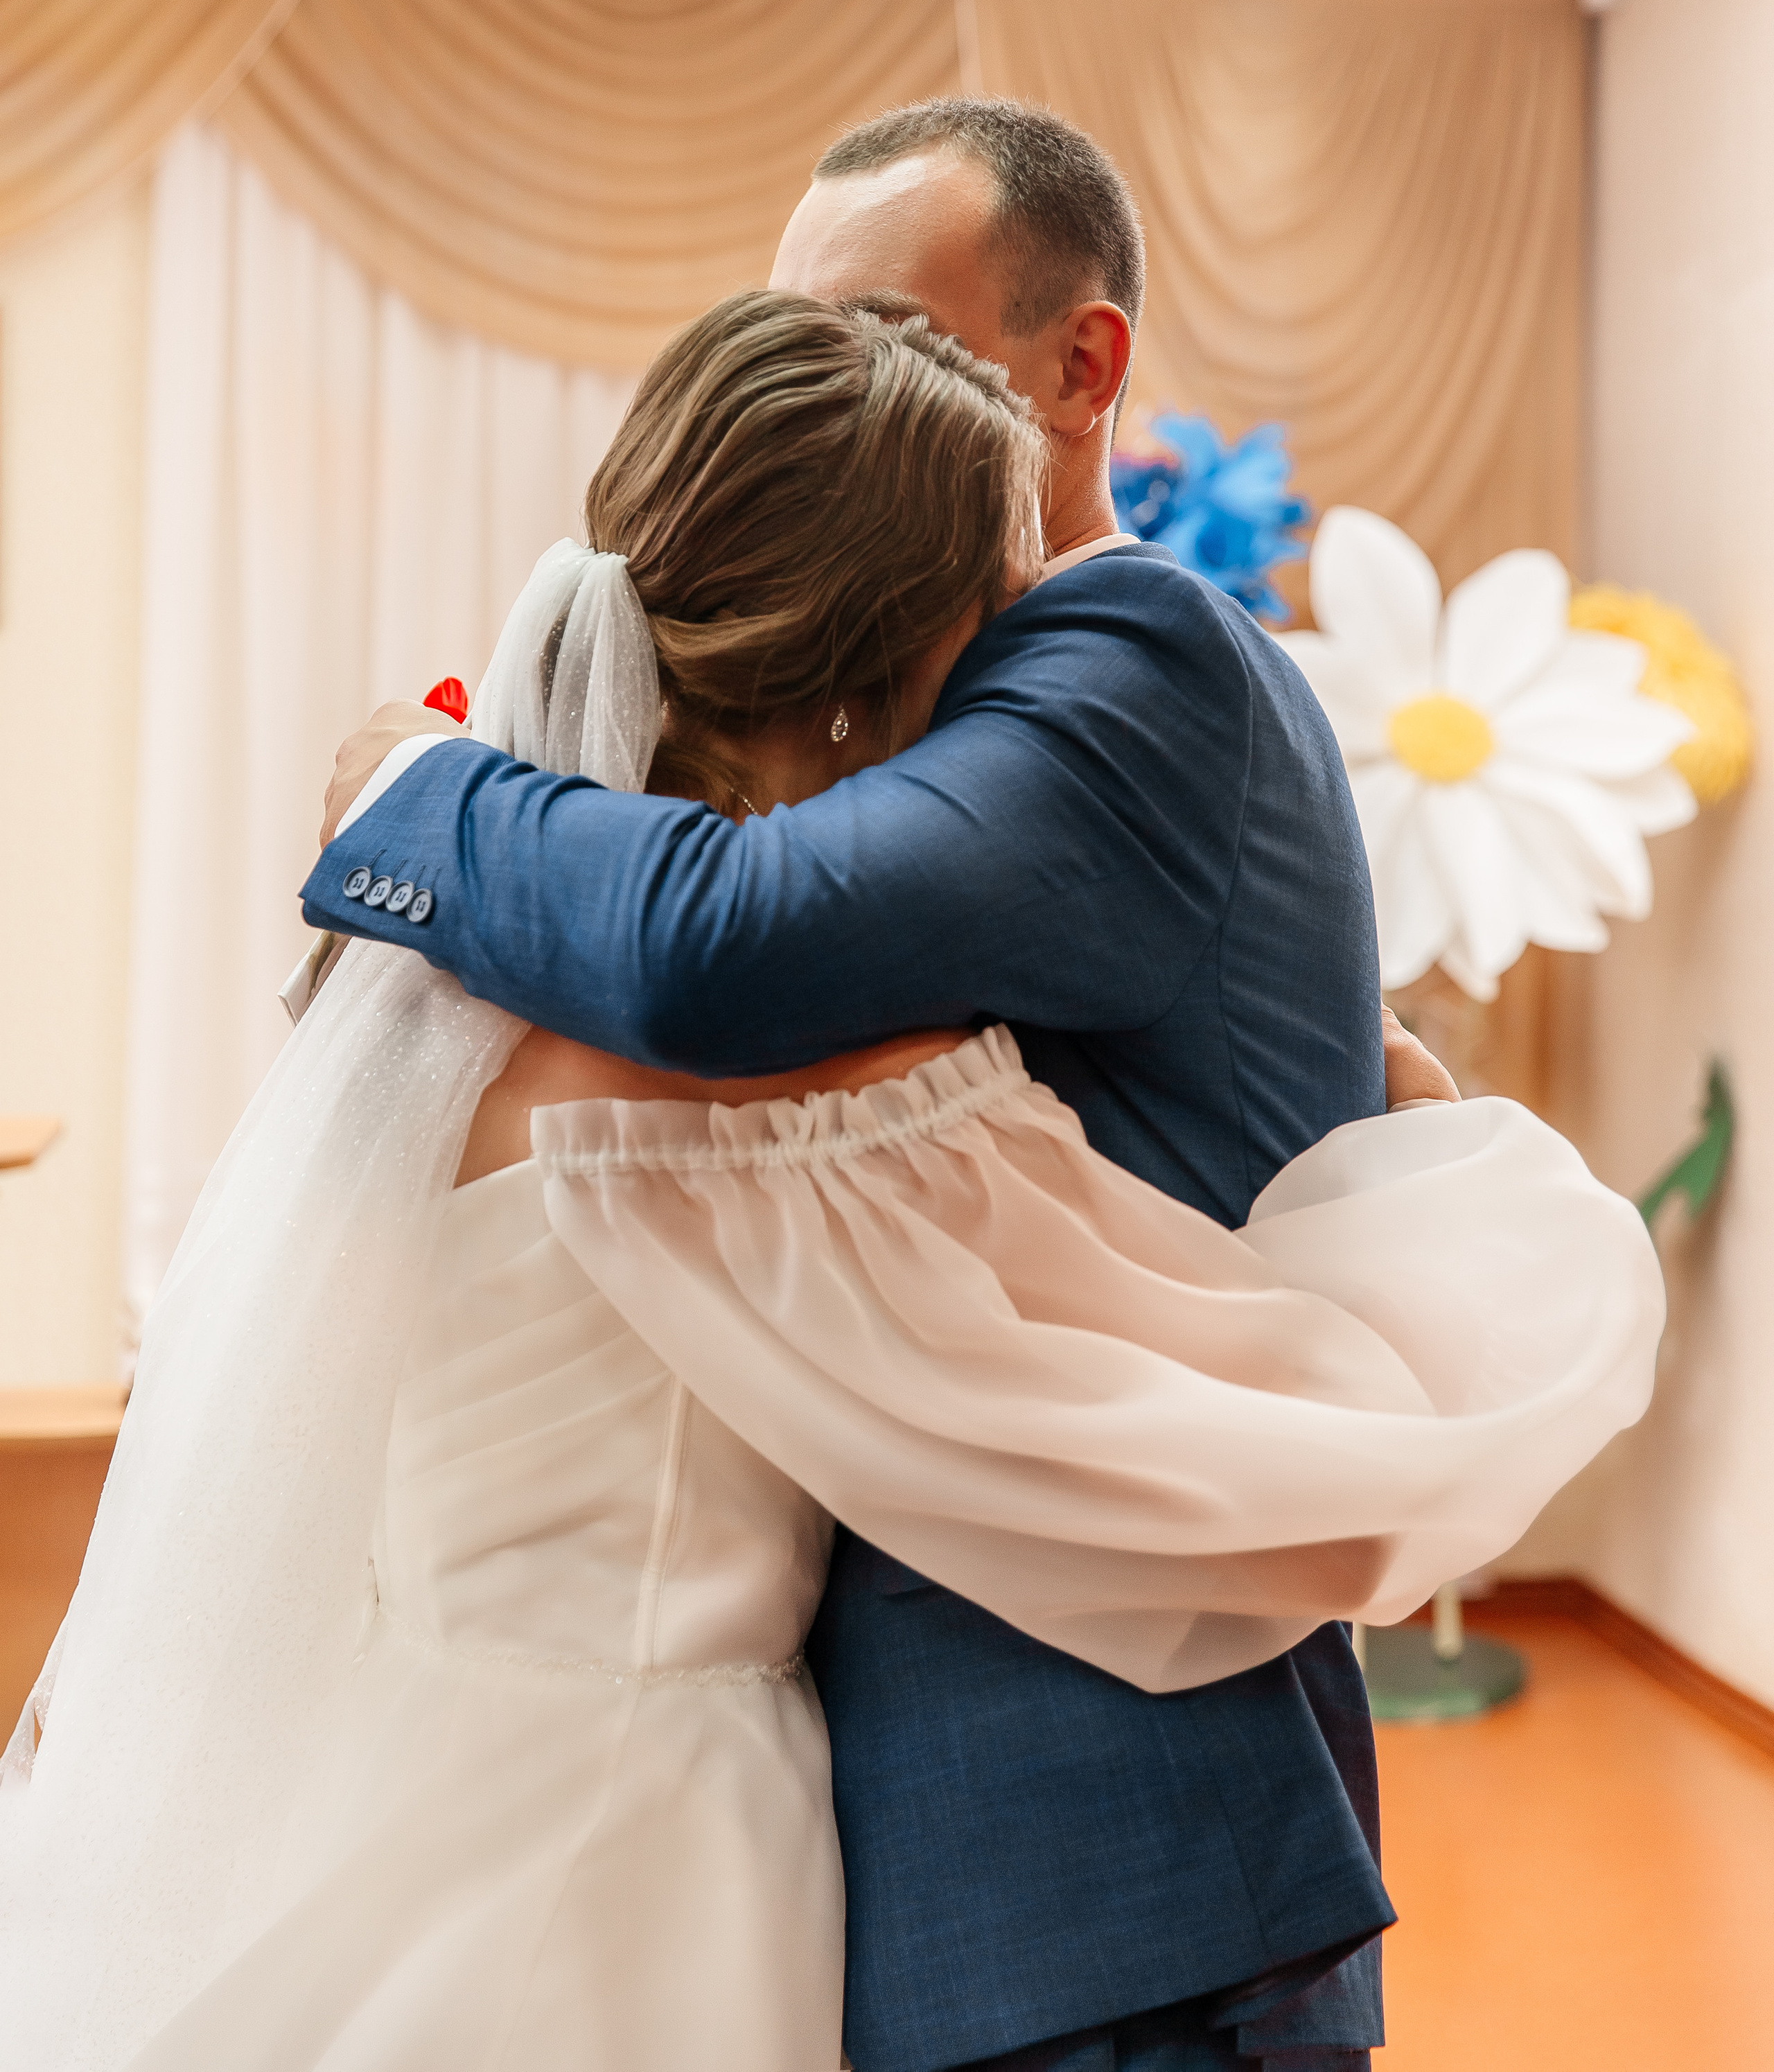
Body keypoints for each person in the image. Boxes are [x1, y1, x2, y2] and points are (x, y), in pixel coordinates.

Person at [295, 103, 1509, 2072]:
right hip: (986, 1849)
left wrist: (407, 801)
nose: (838, 395)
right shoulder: (986, 707)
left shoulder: (1131, 650)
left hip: (1093, 1839)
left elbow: (731, 945)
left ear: (1081, 367)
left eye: (884, 333)